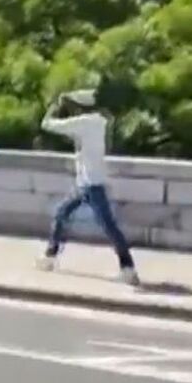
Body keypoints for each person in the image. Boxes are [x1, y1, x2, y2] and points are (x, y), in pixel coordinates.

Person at [38, 89, 140, 286]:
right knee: (61, 213)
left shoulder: (84, 123)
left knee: (108, 226)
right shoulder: (96, 122)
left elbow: (47, 125)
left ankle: (128, 268)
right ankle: (50, 256)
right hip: (86, 182)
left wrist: (53, 108)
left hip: (91, 184)